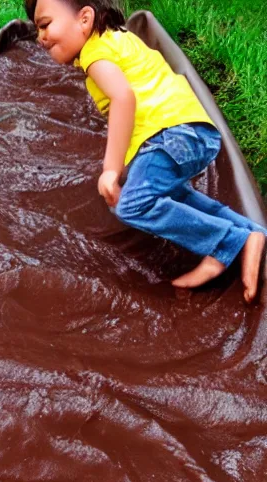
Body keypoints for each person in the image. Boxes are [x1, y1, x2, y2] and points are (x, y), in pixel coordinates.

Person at [25, 0, 266, 302]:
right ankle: (251, 231)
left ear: (85, 19)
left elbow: (123, 99)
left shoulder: (95, 55)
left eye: (45, 24)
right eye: (37, 29)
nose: (40, 37)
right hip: (194, 129)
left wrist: (111, 169)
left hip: (169, 135)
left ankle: (225, 242)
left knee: (132, 204)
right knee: (172, 194)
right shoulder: (118, 39)